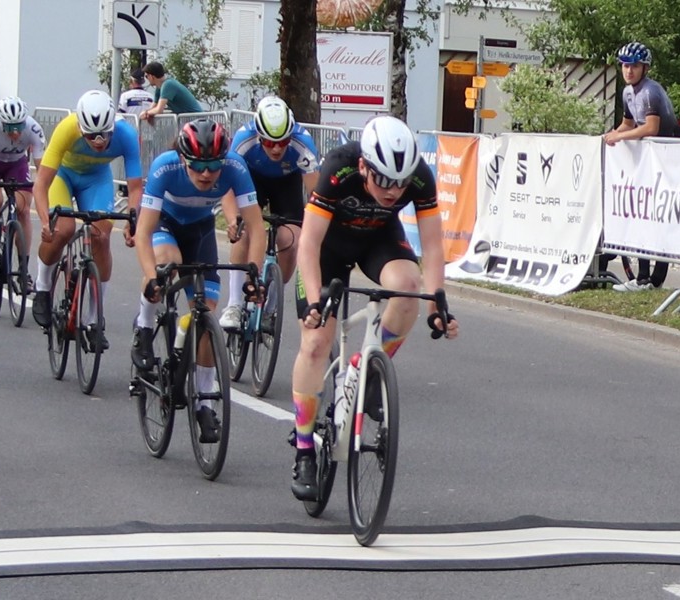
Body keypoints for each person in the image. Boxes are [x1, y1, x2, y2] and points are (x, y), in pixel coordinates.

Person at [288, 116, 459, 501]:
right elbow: (309, 245)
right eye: (383, 180)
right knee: (316, 343)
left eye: (400, 183)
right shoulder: (338, 168)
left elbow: (432, 247)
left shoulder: (418, 177)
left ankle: (366, 367)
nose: (393, 191)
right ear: (364, 166)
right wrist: (315, 300)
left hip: (376, 240)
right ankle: (302, 451)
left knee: (410, 288)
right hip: (328, 248)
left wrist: (437, 300)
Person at [130, 118, 266, 442]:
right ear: (183, 159)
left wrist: (254, 275)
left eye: (214, 167)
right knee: (168, 264)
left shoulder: (235, 167)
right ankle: (145, 325)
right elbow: (143, 233)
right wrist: (151, 278)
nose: (207, 174)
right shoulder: (165, 168)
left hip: (200, 230)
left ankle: (205, 400)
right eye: (199, 167)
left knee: (206, 312)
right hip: (165, 224)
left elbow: (257, 229)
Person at [30, 90, 143, 347]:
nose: (100, 141)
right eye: (91, 135)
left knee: (101, 238)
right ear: (81, 128)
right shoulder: (66, 128)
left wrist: (133, 220)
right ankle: (43, 285)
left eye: (105, 134)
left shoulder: (126, 135)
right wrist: (46, 222)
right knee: (63, 230)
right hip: (64, 177)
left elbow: (136, 188)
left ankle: (94, 319)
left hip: (97, 180)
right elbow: (41, 184)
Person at [219, 95, 320, 330]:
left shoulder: (303, 143)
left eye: (283, 142)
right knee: (244, 232)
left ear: (291, 135)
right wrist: (233, 218)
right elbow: (228, 188)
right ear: (258, 136)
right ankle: (234, 303)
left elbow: (316, 194)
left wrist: (317, 230)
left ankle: (271, 305)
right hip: (252, 180)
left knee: (290, 240)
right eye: (269, 142)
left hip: (287, 182)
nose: (276, 148)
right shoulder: (244, 140)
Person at [603, 42, 680, 292]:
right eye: (625, 66)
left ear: (645, 68)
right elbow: (628, 124)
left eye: (635, 66)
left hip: (669, 160)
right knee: (643, 217)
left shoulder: (650, 91)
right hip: (648, 163)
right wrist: (611, 134)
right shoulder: (628, 92)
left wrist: (620, 137)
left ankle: (653, 280)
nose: (629, 71)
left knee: (660, 219)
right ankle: (643, 278)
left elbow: (650, 127)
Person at [0, 96, 47, 284]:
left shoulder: (34, 129)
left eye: (19, 127)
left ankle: (23, 269)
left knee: (23, 210)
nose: (15, 133)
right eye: (10, 128)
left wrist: (44, 190)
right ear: (1, 123)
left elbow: (43, 169)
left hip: (17, 164)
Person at [138, 62, 203, 124]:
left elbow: (159, 110)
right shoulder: (159, 87)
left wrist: (146, 113)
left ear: (152, 76)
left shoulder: (168, 85)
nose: (146, 79)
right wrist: (146, 112)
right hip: (188, 120)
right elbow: (153, 106)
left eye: (146, 76)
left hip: (196, 120)